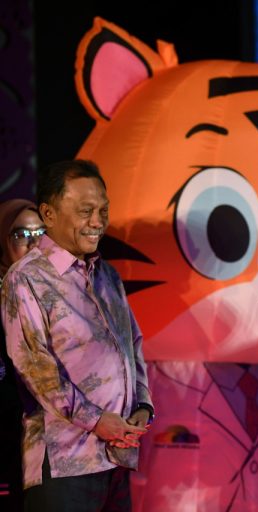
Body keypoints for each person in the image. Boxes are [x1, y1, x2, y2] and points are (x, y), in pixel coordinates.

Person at [1, 160, 154, 511]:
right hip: (64, 464)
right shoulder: (26, 278)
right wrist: (97, 421)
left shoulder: (107, 275)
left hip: (116, 458)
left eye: (103, 210)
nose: (98, 221)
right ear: (48, 214)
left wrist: (143, 406)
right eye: (86, 211)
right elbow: (36, 370)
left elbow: (132, 346)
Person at [0, 199, 45, 511]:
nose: (33, 243)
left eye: (40, 232)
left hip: (48, 440)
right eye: (21, 234)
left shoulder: (60, 295)